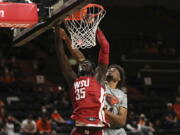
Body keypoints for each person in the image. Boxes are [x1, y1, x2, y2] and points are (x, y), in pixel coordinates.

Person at [59, 28, 128, 135]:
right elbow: (80, 58)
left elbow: (103, 48)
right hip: (82, 127)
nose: (111, 70)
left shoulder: (119, 93)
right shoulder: (78, 80)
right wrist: (65, 38)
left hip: (105, 128)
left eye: (115, 70)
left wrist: (95, 27)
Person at [55, 26, 110, 135]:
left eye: (87, 63)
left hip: (97, 129)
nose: (83, 64)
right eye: (81, 65)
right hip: (79, 129)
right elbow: (61, 54)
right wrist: (57, 34)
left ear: (94, 70)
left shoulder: (99, 77)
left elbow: (105, 47)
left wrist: (96, 27)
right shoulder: (73, 80)